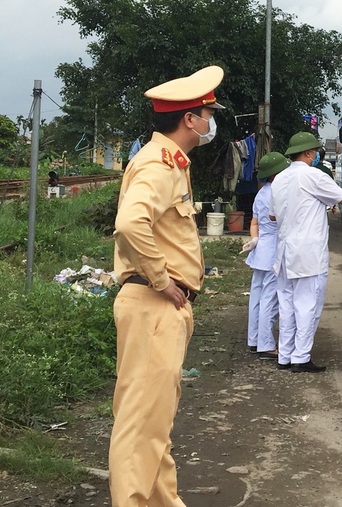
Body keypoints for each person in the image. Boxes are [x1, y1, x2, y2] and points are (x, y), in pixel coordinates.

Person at [110, 65, 225, 507]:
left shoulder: (170, 162)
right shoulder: (159, 165)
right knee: (141, 425)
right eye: (207, 113)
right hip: (152, 303)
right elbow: (129, 225)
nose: (211, 121)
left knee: (152, 423)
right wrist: (163, 280)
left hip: (156, 307)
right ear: (189, 119)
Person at [270, 132, 342, 373]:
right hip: (308, 253)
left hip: (284, 252)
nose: (315, 155)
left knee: (288, 305)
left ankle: (285, 355)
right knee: (307, 305)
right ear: (308, 153)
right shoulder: (312, 175)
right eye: (314, 152)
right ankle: (301, 357)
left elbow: (273, 215)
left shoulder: (280, 179)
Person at [242, 152, 290, 359]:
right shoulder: (279, 193)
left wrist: (254, 240)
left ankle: (253, 340)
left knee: (256, 297)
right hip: (273, 251)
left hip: (260, 249)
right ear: (276, 174)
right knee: (270, 299)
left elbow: (255, 223)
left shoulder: (260, 194)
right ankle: (266, 344)